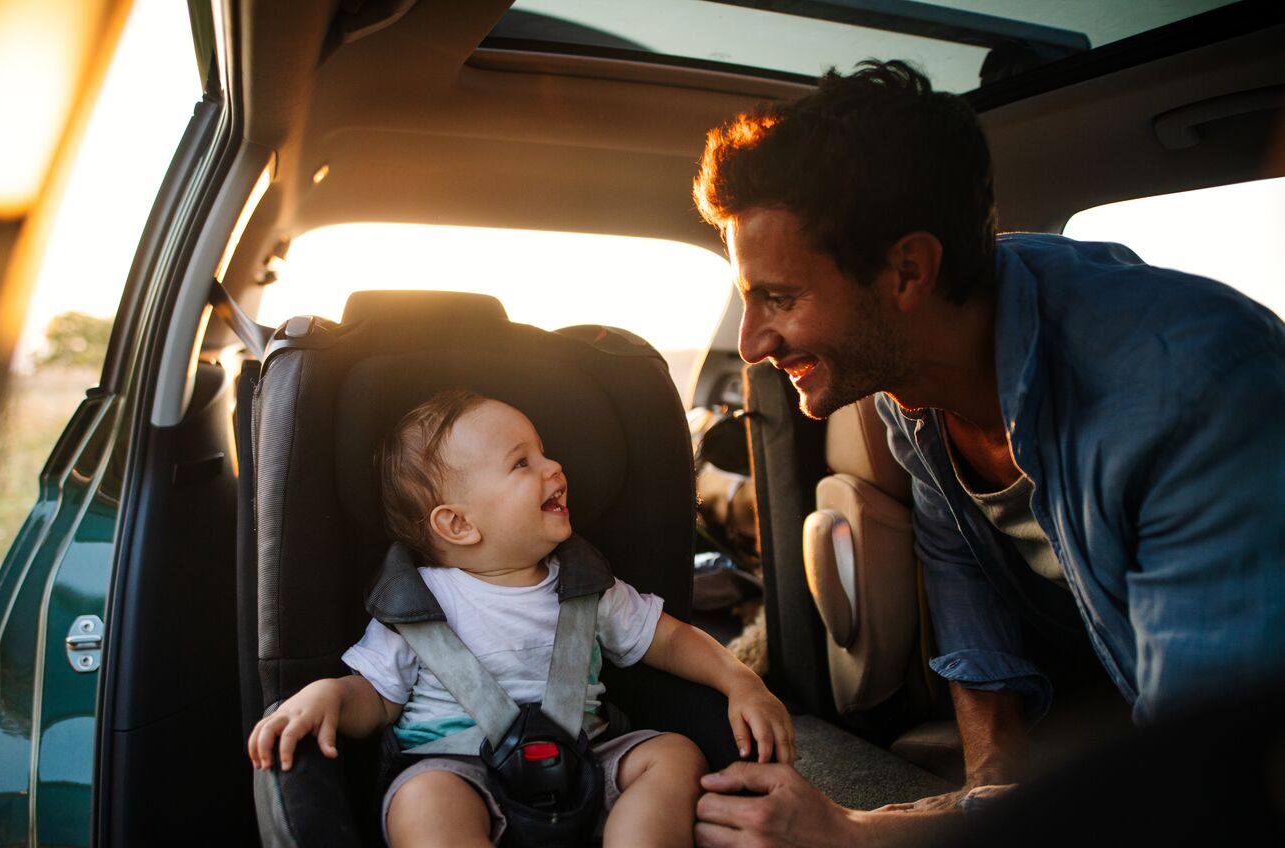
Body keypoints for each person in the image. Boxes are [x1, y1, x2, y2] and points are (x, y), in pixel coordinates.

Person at [688, 59, 1285, 845]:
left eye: (780, 297)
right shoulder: (908, 378)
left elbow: (1203, 780)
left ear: (909, 271)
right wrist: (989, 787)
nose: (751, 343)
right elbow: (960, 569)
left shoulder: (1189, 392)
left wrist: (856, 833)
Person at [247, 388, 794, 847]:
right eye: (521, 463)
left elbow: (670, 640)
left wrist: (740, 681)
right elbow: (376, 697)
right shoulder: (417, 604)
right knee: (421, 799)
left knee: (674, 756)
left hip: (587, 760)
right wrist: (328, 695)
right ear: (458, 524)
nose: (554, 467)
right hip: (457, 768)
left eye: (544, 453)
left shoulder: (588, 586)